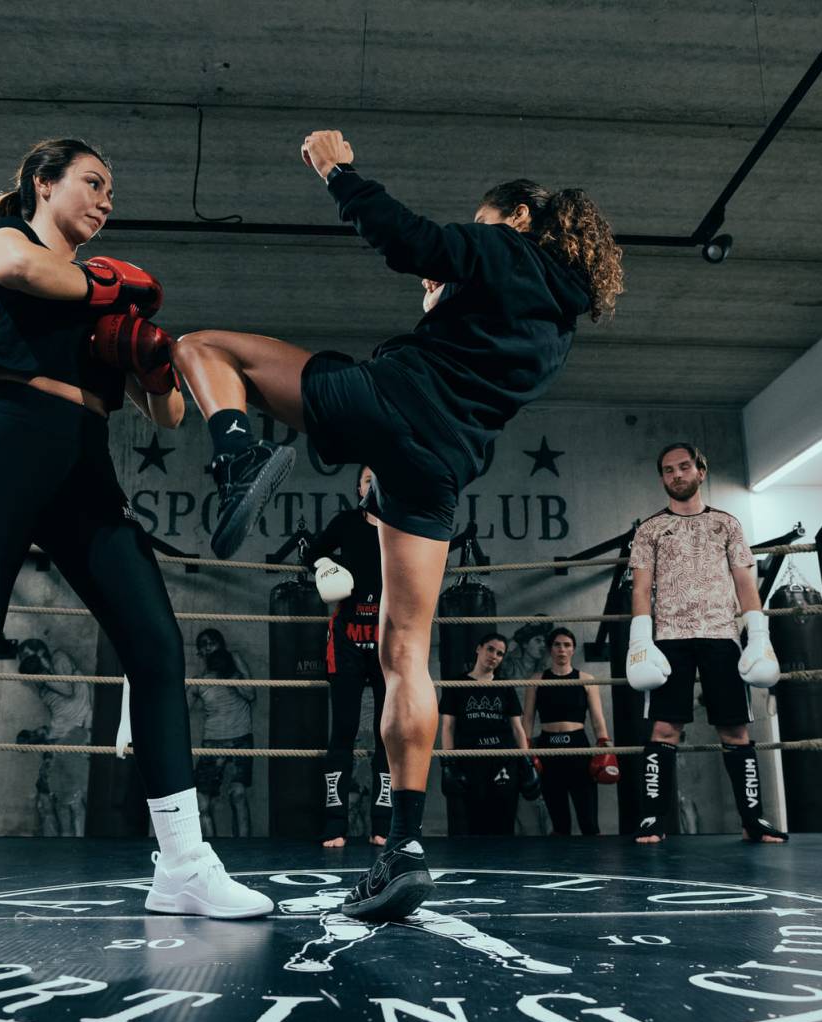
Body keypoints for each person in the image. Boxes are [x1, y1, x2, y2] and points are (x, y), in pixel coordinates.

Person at [171, 129, 622, 920]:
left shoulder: (506, 248)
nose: (478, 232)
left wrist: (337, 171)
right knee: (405, 652)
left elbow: (407, 238)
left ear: (518, 217)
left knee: (202, 347)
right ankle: (404, 848)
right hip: (439, 469)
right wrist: (443, 307)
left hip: (390, 403)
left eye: (486, 221)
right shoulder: (560, 325)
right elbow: (474, 362)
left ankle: (238, 457)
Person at [0, 138, 270, 929]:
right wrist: (109, 285)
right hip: (0, 446)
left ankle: (183, 866)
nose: (106, 200)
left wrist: (150, 362)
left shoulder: (105, 300)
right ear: (43, 184)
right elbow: (20, 271)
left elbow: (167, 415)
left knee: (156, 642)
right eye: (93, 182)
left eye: (111, 191)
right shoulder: (7, 237)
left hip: (84, 466)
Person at [627, 443, 785, 844]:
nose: (676, 475)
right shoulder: (649, 529)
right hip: (669, 639)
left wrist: (758, 635)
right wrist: (640, 640)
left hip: (721, 636)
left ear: (701, 470)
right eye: (668, 470)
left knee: (735, 729)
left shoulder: (727, 524)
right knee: (664, 728)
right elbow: (641, 589)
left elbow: (745, 582)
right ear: (662, 478)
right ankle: (652, 820)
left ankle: (753, 820)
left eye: (684, 467)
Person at [308, 467, 389, 847]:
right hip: (347, 640)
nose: (373, 484)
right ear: (358, 486)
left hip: (388, 640)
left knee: (387, 734)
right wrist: (325, 566)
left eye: (380, 477)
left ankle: (383, 824)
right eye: (367, 478)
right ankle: (335, 824)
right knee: (343, 729)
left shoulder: (401, 528)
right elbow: (312, 552)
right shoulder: (346, 523)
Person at [442, 633, 536, 835]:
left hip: (503, 759)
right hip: (470, 759)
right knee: (475, 822)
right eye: (490, 649)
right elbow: (448, 726)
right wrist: (448, 763)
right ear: (479, 648)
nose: (494, 656)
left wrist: (526, 762)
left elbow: (517, 728)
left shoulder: (505, 686)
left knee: (504, 821)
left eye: (500, 653)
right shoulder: (456, 684)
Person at [520, 628, 611, 834]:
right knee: (560, 823)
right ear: (550, 649)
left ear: (573, 650)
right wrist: (526, 749)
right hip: (548, 750)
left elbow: (597, 719)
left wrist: (604, 744)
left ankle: (593, 856)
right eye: (557, 645)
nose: (562, 649)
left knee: (588, 820)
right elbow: (528, 718)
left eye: (567, 645)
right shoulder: (536, 681)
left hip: (578, 747)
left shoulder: (586, 680)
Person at [14, 637, 93, 837]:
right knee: (48, 798)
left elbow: (68, 690)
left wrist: (41, 670)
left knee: (73, 799)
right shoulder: (42, 679)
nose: (25, 661)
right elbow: (60, 714)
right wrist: (37, 734)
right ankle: (56, 847)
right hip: (60, 738)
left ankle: (76, 846)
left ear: (40, 652)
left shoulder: (58, 659)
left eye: (27, 656)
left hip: (76, 736)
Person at [189, 629, 256, 838]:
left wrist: (230, 675)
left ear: (221, 645)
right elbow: (181, 710)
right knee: (201, 802)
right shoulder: (199, 681)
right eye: (204, 644)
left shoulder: (234, 660)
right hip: (212, 742)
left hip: (240, 739)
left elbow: (251, 694)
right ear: (200, 652)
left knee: (238, 794)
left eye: (212, 643)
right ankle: (210, 848)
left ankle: (244, 848)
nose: (209, 647)